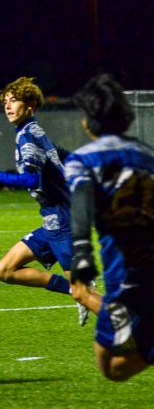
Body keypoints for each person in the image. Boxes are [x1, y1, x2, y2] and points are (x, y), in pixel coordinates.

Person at [0, 77, 91, 325]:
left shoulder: (28, 137)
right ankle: (75, 291)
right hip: (52, 220)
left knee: (88, 295)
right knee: (5, 270)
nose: (8, 106)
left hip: (62, 222)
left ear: (30, 106)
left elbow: (31, 180)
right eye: (5, 101)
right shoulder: (34, 131)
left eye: (14, 100)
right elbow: (62, 156)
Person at [65, 73, 154, 381]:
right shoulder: (148, 155)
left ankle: (89, 299)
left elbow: (81, 196)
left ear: (88, 121)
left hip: (126, 275)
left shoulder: (83, 160)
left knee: (111, 368)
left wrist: (81, 250)